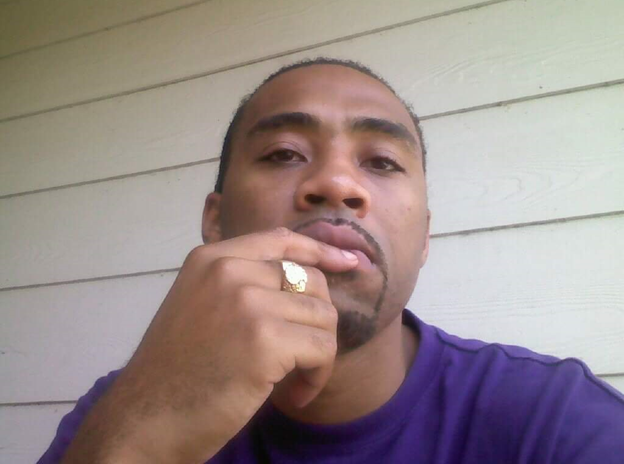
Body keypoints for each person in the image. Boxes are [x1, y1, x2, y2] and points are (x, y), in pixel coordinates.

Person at [39, 58, 624, 464]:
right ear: (215, 221)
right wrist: (136, 446)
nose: (338, 184)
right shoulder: (127, 406)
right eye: (284, 153)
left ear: (424, 238)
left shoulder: (558, 420)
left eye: (382, 162)